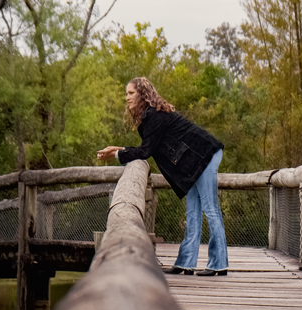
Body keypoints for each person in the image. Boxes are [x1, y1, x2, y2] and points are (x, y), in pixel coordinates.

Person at [97, 77, 228, 276]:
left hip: (205, 154)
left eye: (131, 93)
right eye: (126, 94)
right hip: (193, 163)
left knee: (210, 209)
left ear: (142, 94)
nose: (127, 98)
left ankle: (219, 264)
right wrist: (121, 149)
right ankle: (186, 263)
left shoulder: (154, 115)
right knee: (193, 212)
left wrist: (116, 154)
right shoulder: (150, 116)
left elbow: (145, 151)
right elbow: (149, 146)